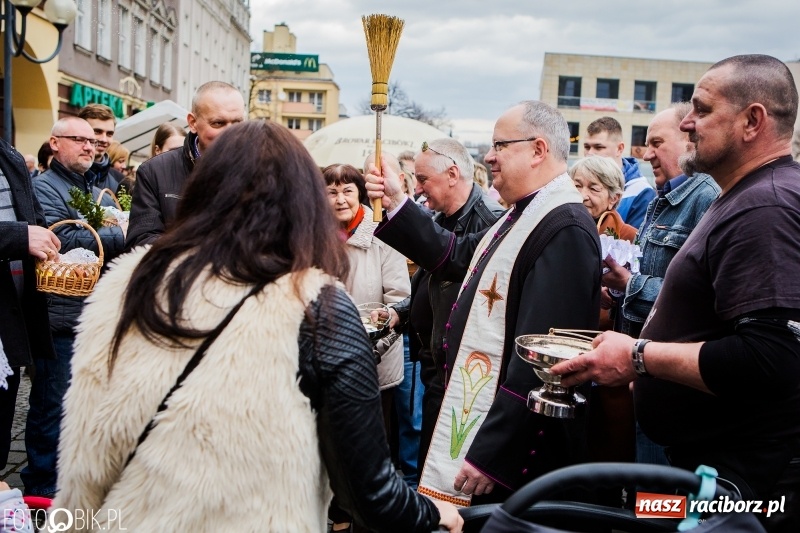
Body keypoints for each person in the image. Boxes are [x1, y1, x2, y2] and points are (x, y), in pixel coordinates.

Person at [51, 120, 462, 533]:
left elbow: (85, 458)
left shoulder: (128, 281)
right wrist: (433, 513)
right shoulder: (317, 305)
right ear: (305, 204)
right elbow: (367, 492)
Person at [552, 54, 800, 533]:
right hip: (697, 467)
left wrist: (639, 357)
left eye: (702, 110)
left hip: (734, 488)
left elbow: (773, 358)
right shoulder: (744, 195)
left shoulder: (764, 207)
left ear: (752, 121)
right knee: (643, 516)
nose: (688, 123)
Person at [366, 100, 601, 506]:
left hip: (517, 458)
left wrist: (492, 453)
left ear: (538, 150)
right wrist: (396, 201)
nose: (489, 157)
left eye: (499, 145)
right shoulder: (521, 215)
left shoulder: (564, 227)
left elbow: (540, 362)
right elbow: (455, 255)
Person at [388, 139, 504, 484]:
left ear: (453, 174)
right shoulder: (444, 217)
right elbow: (433, 282)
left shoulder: (489, 222)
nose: (418, 189)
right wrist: (401, 312)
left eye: (423, 179)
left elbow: (450, 259)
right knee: (431, 472)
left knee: (447, 480)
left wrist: (397, 202)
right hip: (437, 370)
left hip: (462, 378)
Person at [22, 117, 126, 499]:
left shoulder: (98, 188)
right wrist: (121, 233)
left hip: (95, 311)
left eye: (92, 140)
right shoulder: (44, 186)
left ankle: (78, 482)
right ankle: (42, 487)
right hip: (59, 312)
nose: (89, 146)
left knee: (88, 403)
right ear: (54, 143)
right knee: (52, 403)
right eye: (78, 139)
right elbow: (60, 238)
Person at [125, 82, 244, 250]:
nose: (230, 133)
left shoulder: (260, 171)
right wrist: (201, 249)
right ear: (193, 123)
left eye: (238, 123)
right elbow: (141, 240)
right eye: (218, 123)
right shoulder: (154, 171)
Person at [0, 138, 58, 473]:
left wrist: (50, 249)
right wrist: (18, 237)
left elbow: (34, 220)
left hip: (12, 321)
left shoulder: (8, 155)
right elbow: (23, 232)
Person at [583, 117, 656, 229]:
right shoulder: (576, 185)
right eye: (587, 147)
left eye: (598, 147)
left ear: (619, 149)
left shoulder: (641, 192)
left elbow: (633, 239)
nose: (590, 153)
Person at [569, 156, 637, 242]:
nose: (582, 196)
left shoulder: (630, 238)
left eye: (594, 189)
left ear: (613, 198)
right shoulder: (560, 227)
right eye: (577, 186)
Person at [78, 104, 124, 192]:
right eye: (97, 132)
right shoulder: (66, 173)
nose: (104, 139)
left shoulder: (120, 181)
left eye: (109, 134)